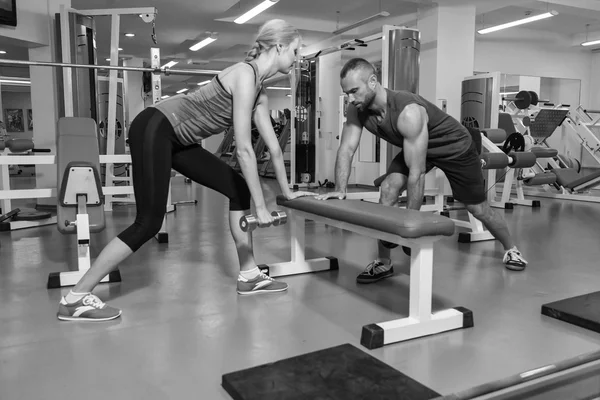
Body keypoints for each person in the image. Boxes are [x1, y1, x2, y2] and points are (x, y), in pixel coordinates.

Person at [57, 19, 314, 322]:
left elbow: (272, 147)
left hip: (178, 139)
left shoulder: (259, 91)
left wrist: (288, 194)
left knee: (238, 188)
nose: (297, 59)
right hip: (156, 126)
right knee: (149, 223)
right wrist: (260, 207)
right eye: (296, 51)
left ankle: (249, 275)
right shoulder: (245, 75)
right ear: (279, 46)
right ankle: (75, 298)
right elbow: (244, 149)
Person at [316, 58, 528, 284]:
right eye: (346, 93)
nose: (350, 99)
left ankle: (511, 249)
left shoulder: (408, 111)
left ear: (372, 82)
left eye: (354, 91)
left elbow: (416, 175)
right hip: (419, 148)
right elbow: (346, 149)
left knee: (478, 209)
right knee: (388, 187)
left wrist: (411, 225)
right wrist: (340, 189)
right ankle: (383, 262)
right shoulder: (355, 110)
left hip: (456, 149)